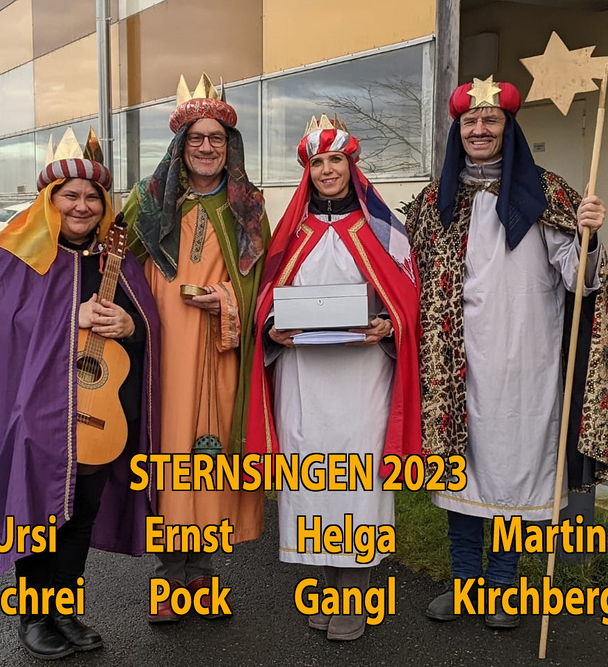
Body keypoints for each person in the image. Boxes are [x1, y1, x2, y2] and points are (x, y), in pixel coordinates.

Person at [405, 76, 608, 628]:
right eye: (470, 121)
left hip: (526, 364)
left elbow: (578, 279)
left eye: (490, 120)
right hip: (454, 368)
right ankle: (465, 584)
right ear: (458, 131)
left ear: (508, 127)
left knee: (514, 475)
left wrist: (589, 236)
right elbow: (407, 279)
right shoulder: (434, 202)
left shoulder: (547, 194)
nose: (479, 129)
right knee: (460, 477)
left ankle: (501, 586)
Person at [0, 129, 161, 659]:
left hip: (95, 413)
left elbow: (145, 320)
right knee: (38, 510)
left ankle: (64, 610)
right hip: (34, 413)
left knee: (80, 512)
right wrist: (69, 318)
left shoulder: (114, 259)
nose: (82, 206)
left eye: (93, 197)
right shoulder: (12, 255)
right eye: (71, 195)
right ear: (50, 199)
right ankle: (33, 617)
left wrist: (130, 325)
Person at [246, 114, 421, 641]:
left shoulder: (382, 231)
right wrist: (272, 328)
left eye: (335, 160)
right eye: (318, 162)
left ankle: (353, 595)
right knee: (312, 481)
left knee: (356, 480)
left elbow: (407, 300)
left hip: (362, 378)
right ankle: (329, 587)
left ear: (351, 165)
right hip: (303, 378)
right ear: (308, 170)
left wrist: (388, 324)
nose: (327, 170)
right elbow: (266, 300)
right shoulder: (292, 234)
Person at [122, 72, 270, 622]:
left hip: (221, 349)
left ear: (229, 145)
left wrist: (228, 298)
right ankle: (169, 579)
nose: (207, 147)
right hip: (161, 352)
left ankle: (202, 577)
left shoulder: (248, 206)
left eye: (217, 138)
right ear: (181, 145)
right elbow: (115, 266)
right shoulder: (148, 200)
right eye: (197, 138)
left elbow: (264, 282)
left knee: (211, 456)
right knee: (167, 453)